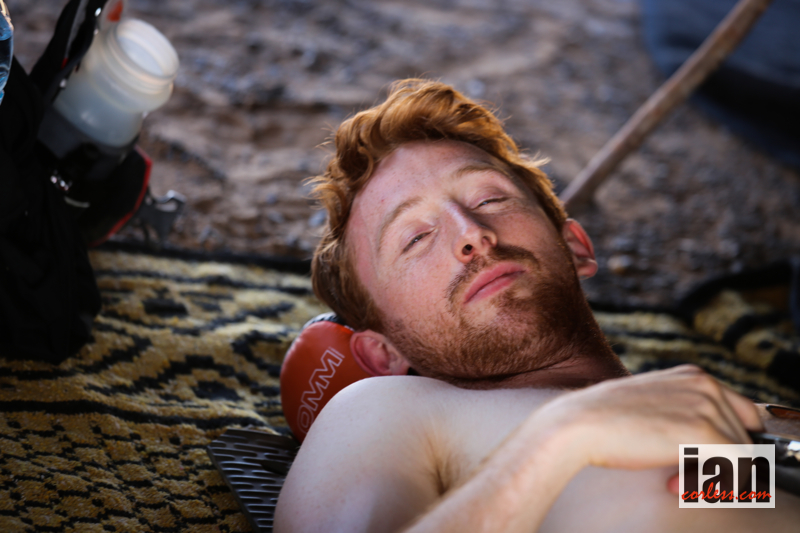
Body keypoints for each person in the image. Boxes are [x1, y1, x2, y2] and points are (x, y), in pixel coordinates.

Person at [274, 79, 800, 532]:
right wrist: (561, 438)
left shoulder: (722, 413)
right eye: (414, 238)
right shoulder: (389, 412)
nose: (471, 233)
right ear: (384, 350)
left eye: (490, 199)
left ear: (575, 247)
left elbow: (740, 502)